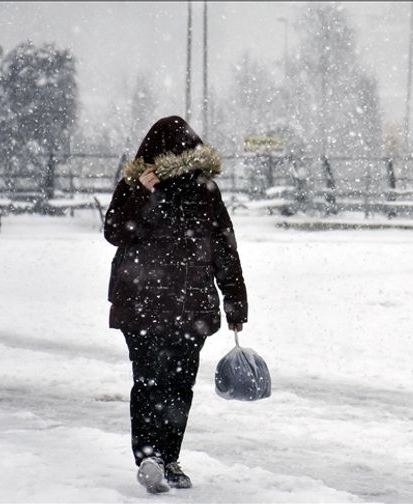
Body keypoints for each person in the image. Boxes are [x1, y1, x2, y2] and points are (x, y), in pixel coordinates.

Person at [103, 115, 248, 493]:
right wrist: (234, 301)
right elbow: (116, 232)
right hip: (170, 304)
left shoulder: (201, 190)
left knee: (155, 382)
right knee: (174, 385)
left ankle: (158, 456)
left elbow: (221, 246)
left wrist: (235, 301)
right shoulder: (141, 186)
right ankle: (159, 457)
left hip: (156, 304)